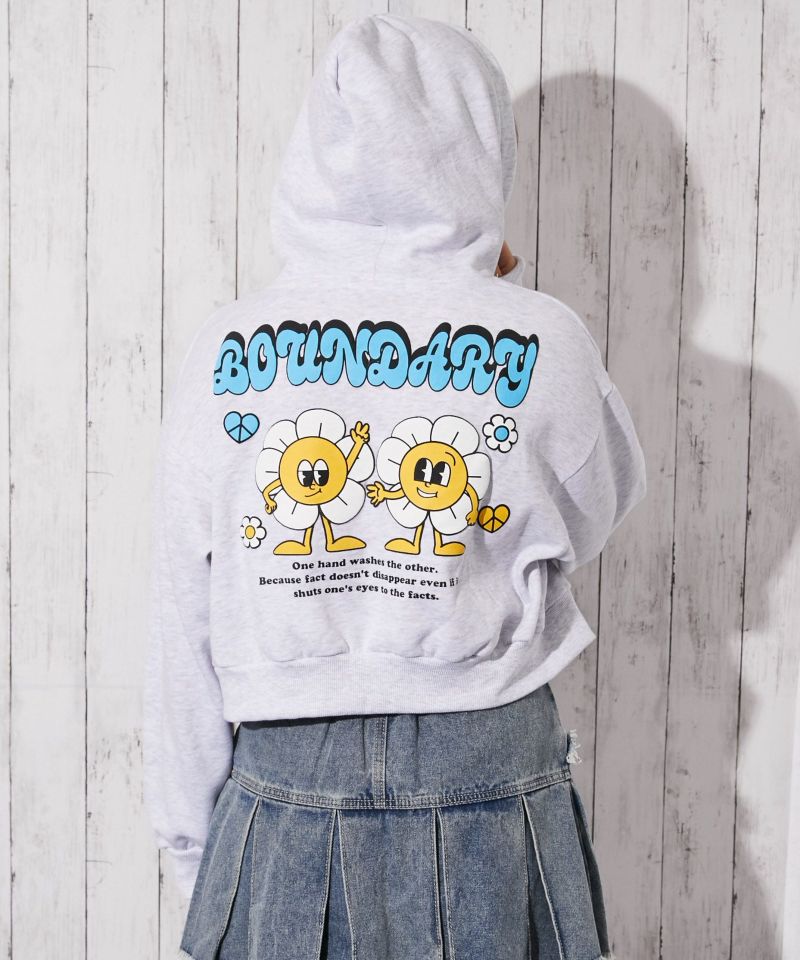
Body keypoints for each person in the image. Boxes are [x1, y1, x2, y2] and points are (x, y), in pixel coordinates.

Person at [142, 13, 644, 960]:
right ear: (480, 144)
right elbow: (592, 510)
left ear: (314, 156)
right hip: (493, 780)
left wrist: (195, 854)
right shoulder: (546, 338)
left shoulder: (224, 349)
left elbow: (184, 619)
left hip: (281, 796)